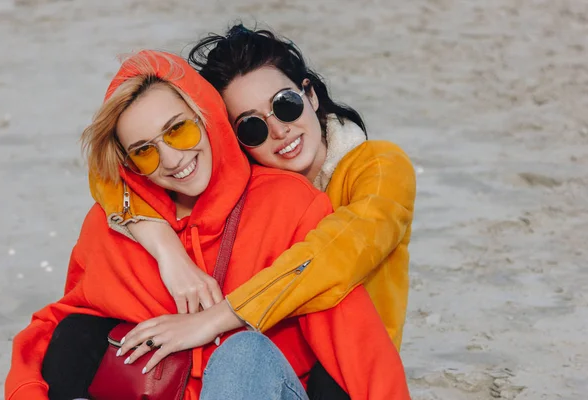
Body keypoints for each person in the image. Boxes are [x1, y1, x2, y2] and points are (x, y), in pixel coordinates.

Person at [5, 51, 409, 400]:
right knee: (77, 333)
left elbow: (352, 332)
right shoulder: (115, 223)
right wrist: (166, 250)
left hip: (282, 384)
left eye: (178, 130)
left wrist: (213, 320)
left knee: (241, 354)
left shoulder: (296, 200)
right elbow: (62, 331)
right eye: (145, 151)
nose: (171, 159)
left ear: (207, 118)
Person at [93, 24, 416, 350]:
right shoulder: (245, 185)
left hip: (353, 372)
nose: (278, 130)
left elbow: (338, 252)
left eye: (284, 104)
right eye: (251, 126)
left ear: (311, 94)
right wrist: (169, 255)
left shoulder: (379, 166)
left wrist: (214, 319)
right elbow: (107, 173)